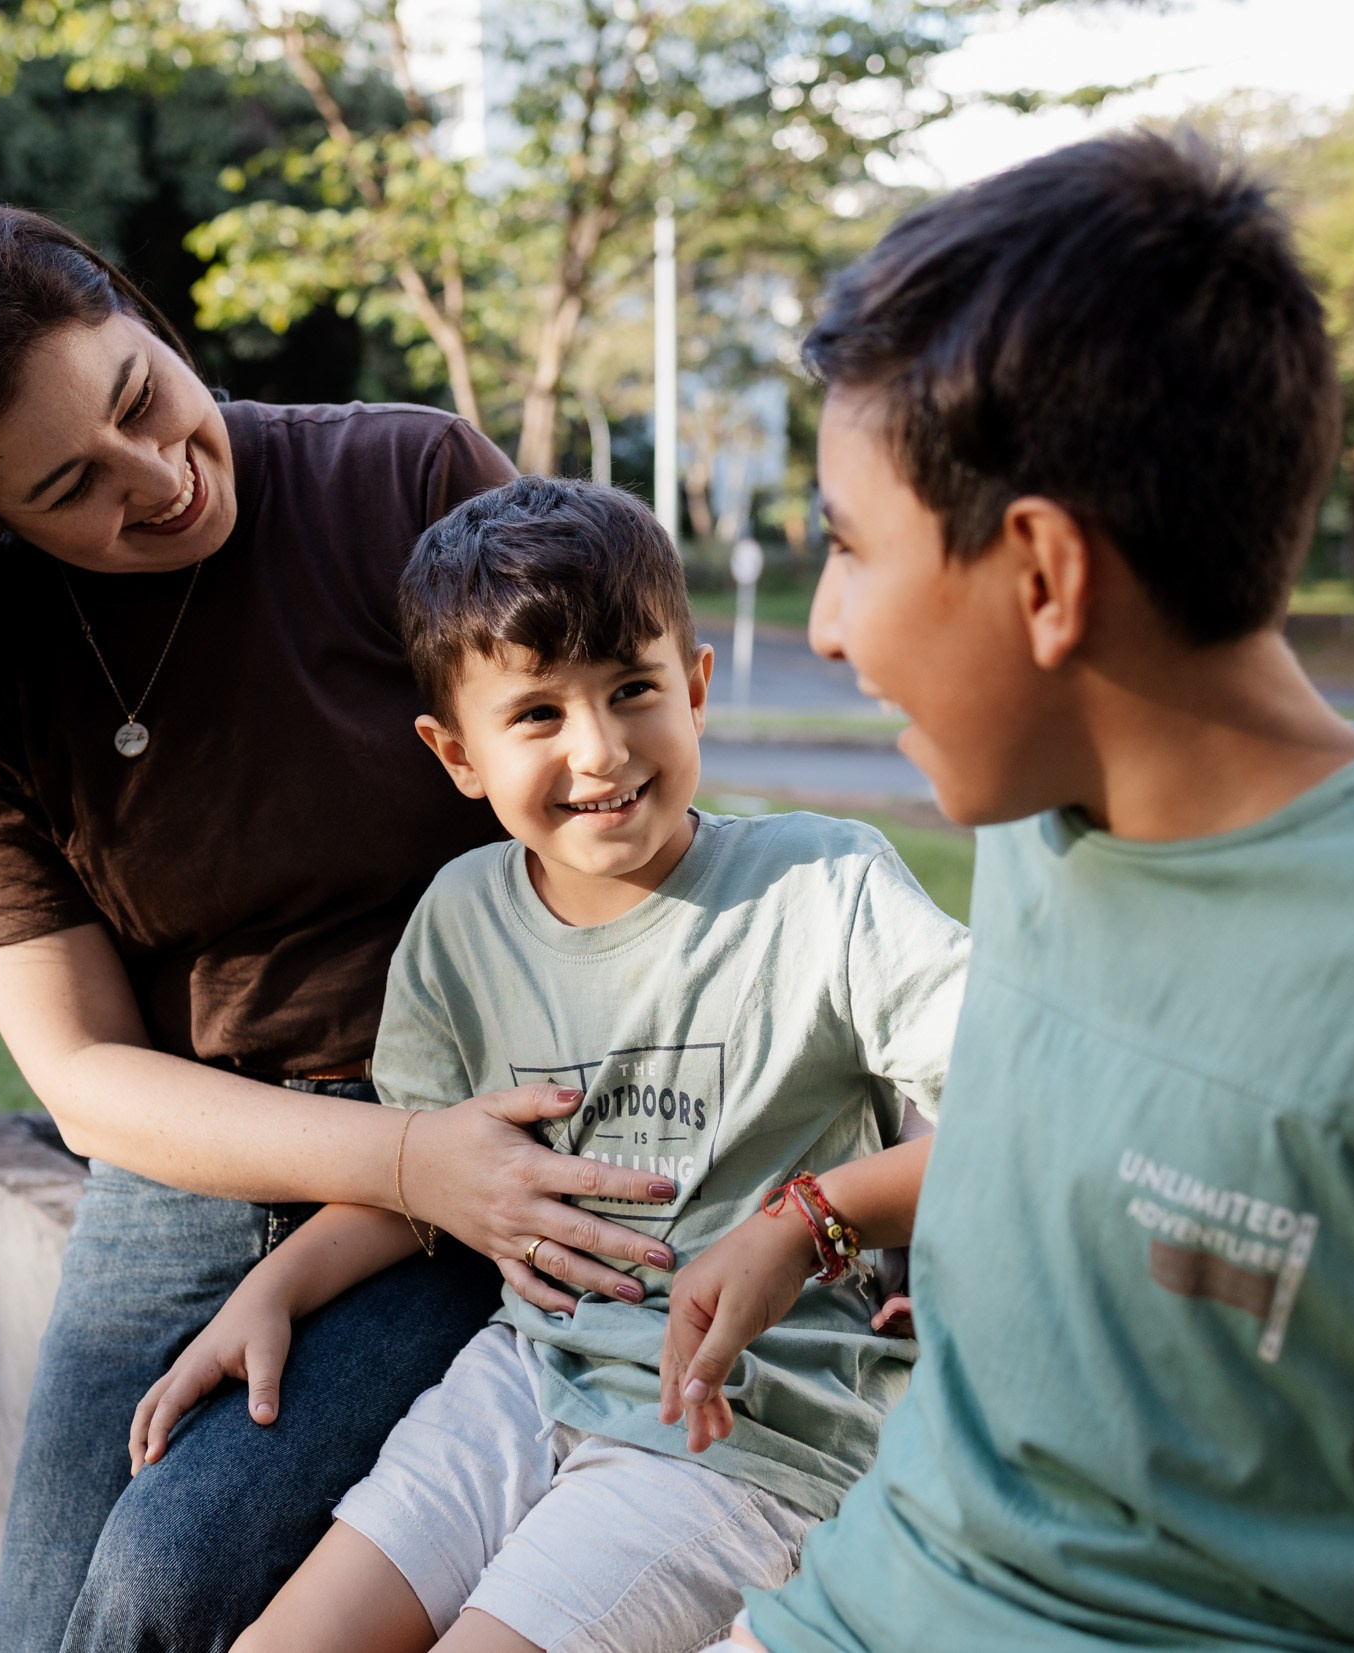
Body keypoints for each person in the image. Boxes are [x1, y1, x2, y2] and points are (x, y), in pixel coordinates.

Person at [692, 133, 1354, 1651]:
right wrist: (815, 1216)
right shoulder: (1033, 814)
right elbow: (1091, 1131)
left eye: (849, 549)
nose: (830, 627)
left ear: (1044, 575)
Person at [0, 201, 687, 1653]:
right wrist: (401, 1164)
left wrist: (431, 1158)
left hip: (481, 1130)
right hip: (195, 1167)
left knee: (167, 1582)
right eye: (71, 484)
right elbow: (82, 1076)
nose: (159, 478)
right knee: (46, 1628)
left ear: (143, 320)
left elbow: (618, 812)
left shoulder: (402, 482)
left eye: (140, 395)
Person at [123, 476, 970, 1653]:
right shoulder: (461, 921)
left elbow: (1020, 1111)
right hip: (522, 1379)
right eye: (536, 713)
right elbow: (425, 1178)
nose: (600, 749)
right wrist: (273, 1288)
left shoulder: (823, 888)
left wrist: (809, 1219)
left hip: (737, 1432)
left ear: (695, 687)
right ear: (455, 753)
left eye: (633, 689)